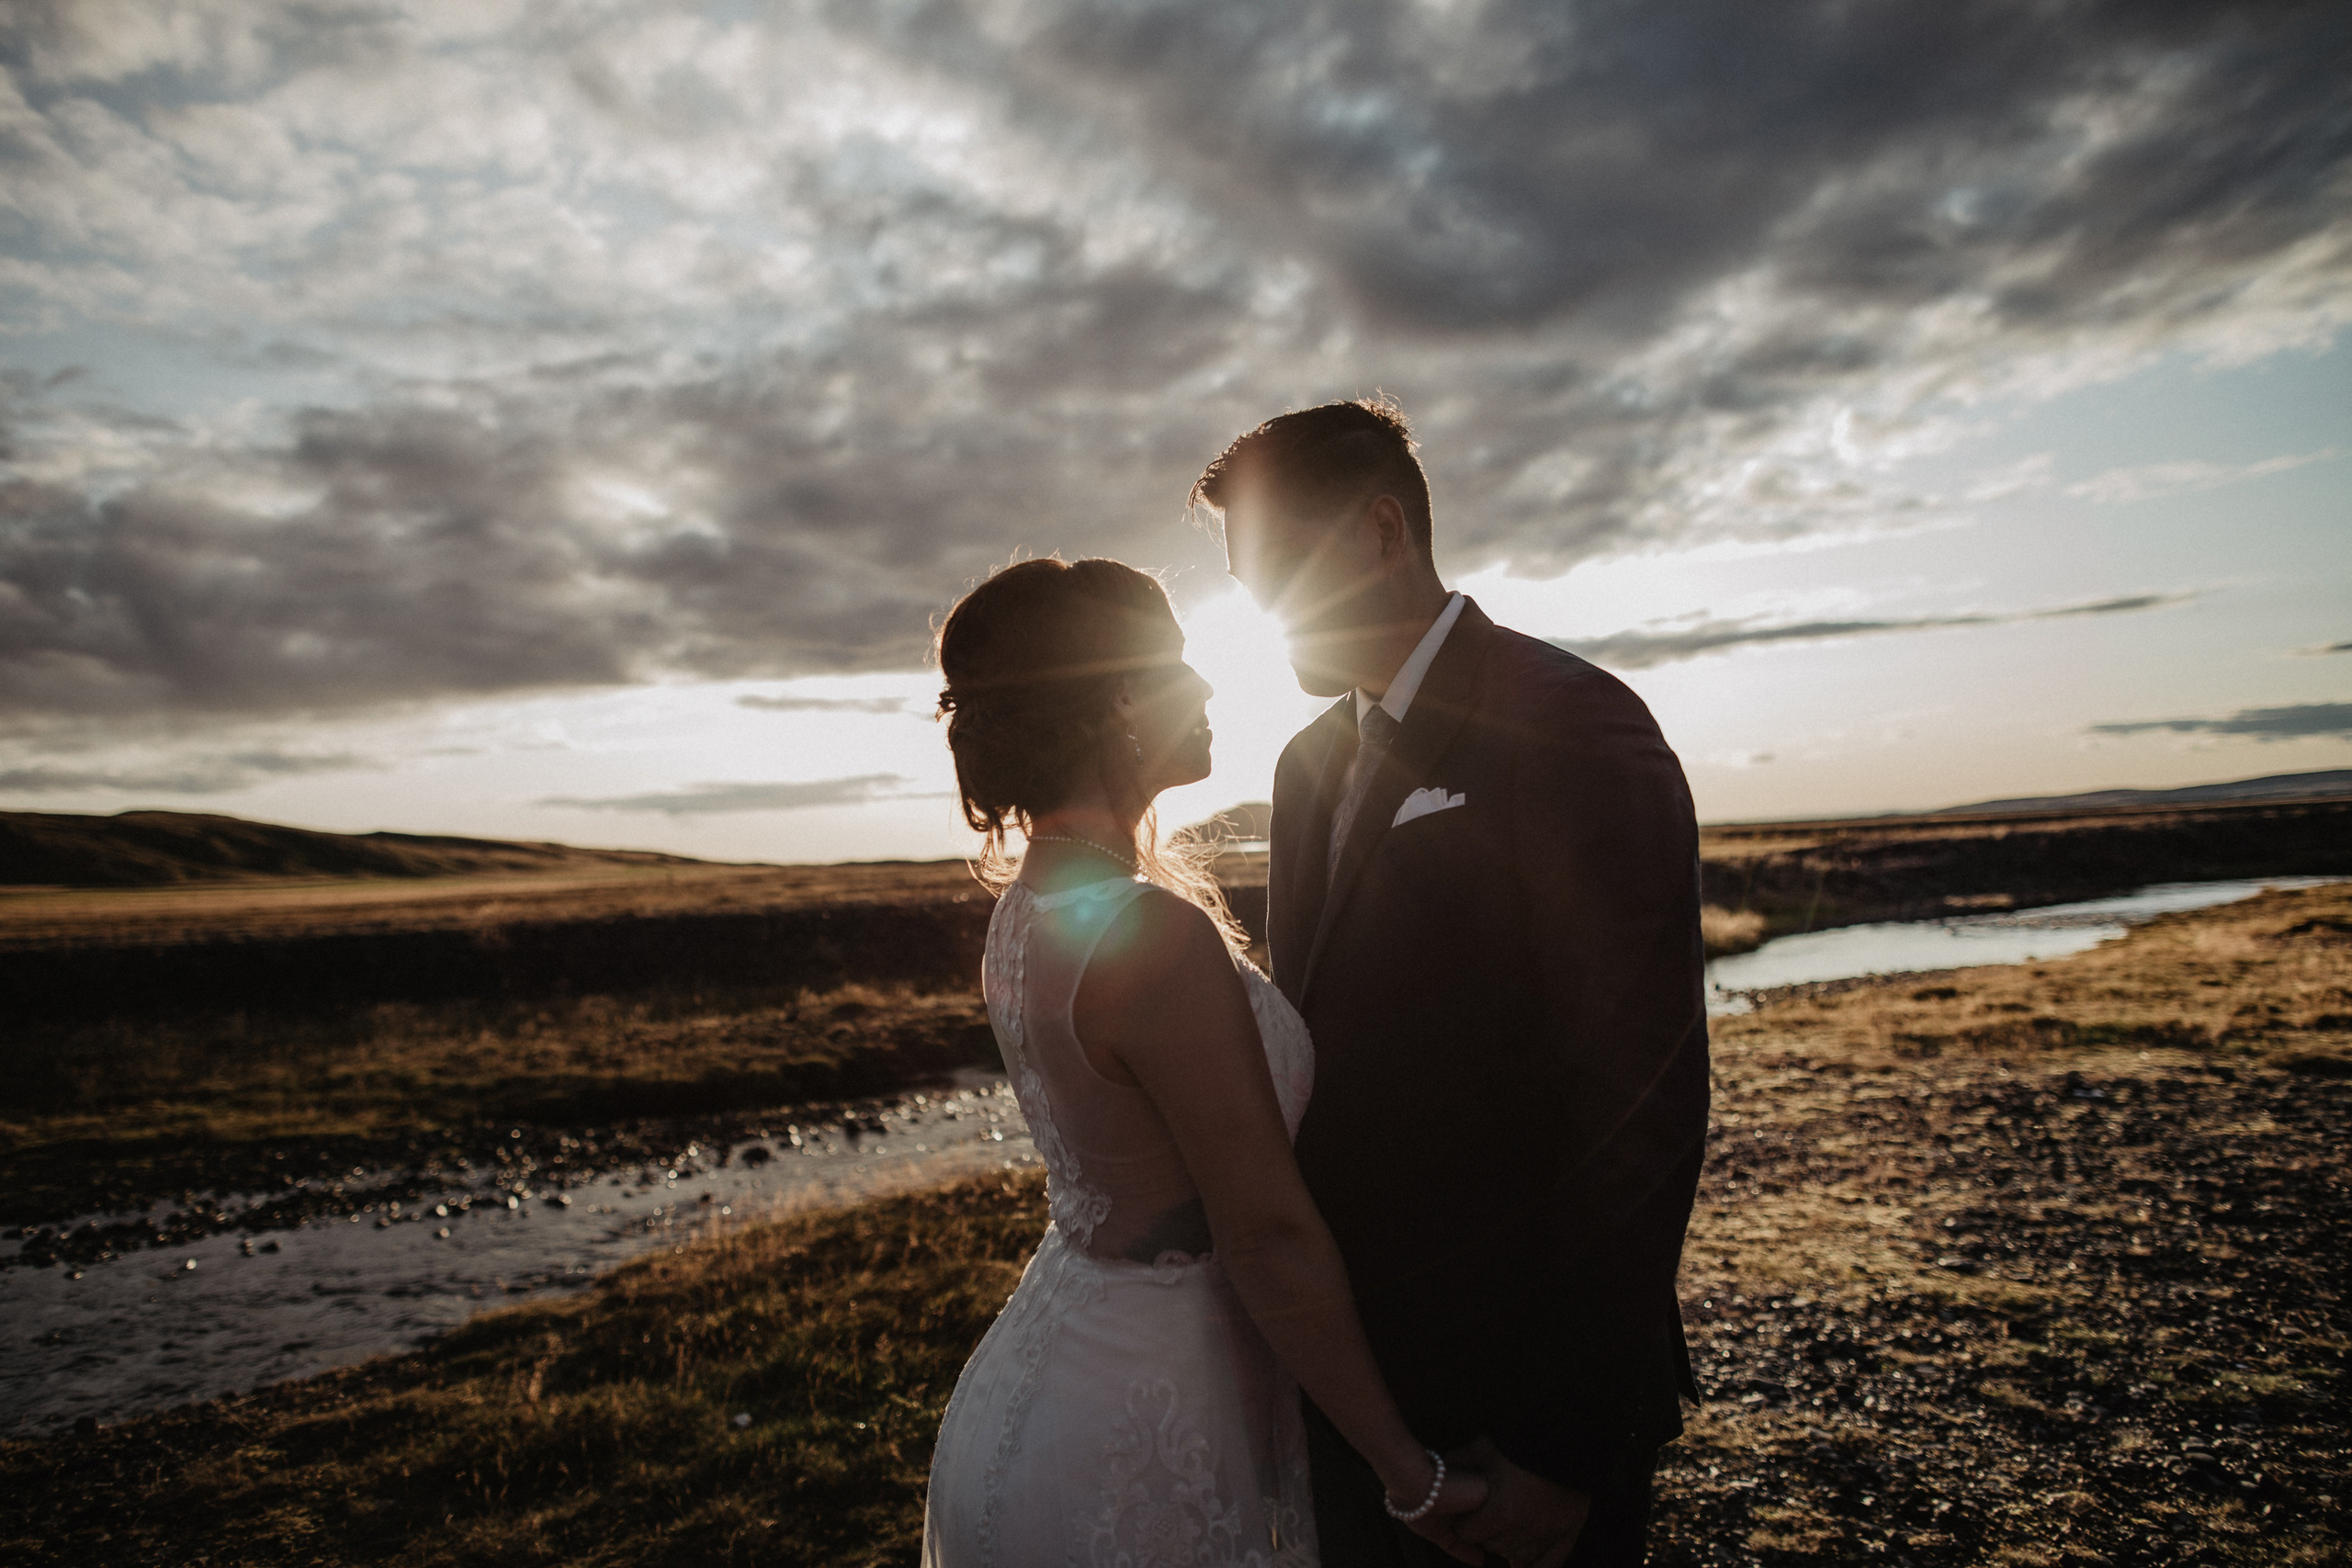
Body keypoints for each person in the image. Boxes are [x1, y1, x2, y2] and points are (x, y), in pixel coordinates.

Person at [1191, 398, 1711, 1568]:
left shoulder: (1578, 728)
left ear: (1384, 532)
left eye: (1279, 570)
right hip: (1358, 1396)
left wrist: (1559, 1442)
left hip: (1517, 1406)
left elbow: (1641, 1110)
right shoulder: (1307, 764)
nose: (1261, 612)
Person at [922, 556, 1487, 1568]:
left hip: (1052, 1374)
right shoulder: (1145, 936)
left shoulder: (1031, 904)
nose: (1211, 685)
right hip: (1136, 1443)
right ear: (1120, 697)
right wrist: (1410, 1472)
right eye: (1180, 661)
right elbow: (1266, 1232)